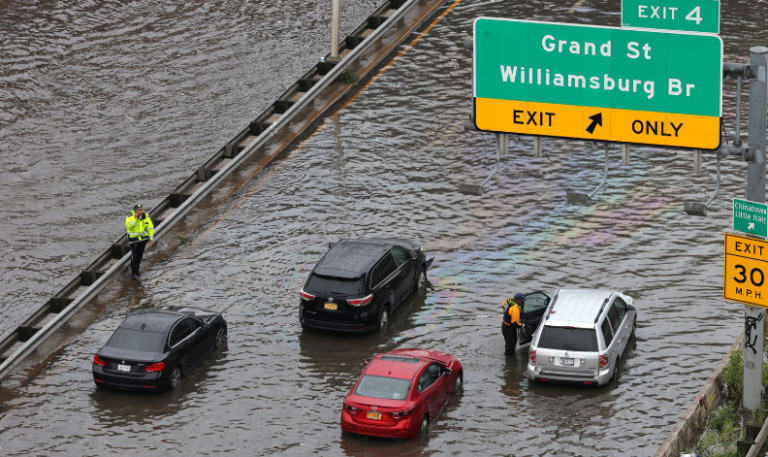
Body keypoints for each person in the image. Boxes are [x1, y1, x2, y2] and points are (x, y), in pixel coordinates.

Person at [125, 204, 154, 280]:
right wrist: (135, 219)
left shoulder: (146, 217)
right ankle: (134, 273)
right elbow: (129, 228)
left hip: (143, 240)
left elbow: (150, 228)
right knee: (135, 256)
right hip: (133, 240)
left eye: (141, 209)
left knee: (140, 256)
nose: (140, 211)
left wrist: (151, 239)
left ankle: (136, 270)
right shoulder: (130, 217)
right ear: (135, 211)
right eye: (138, 210)